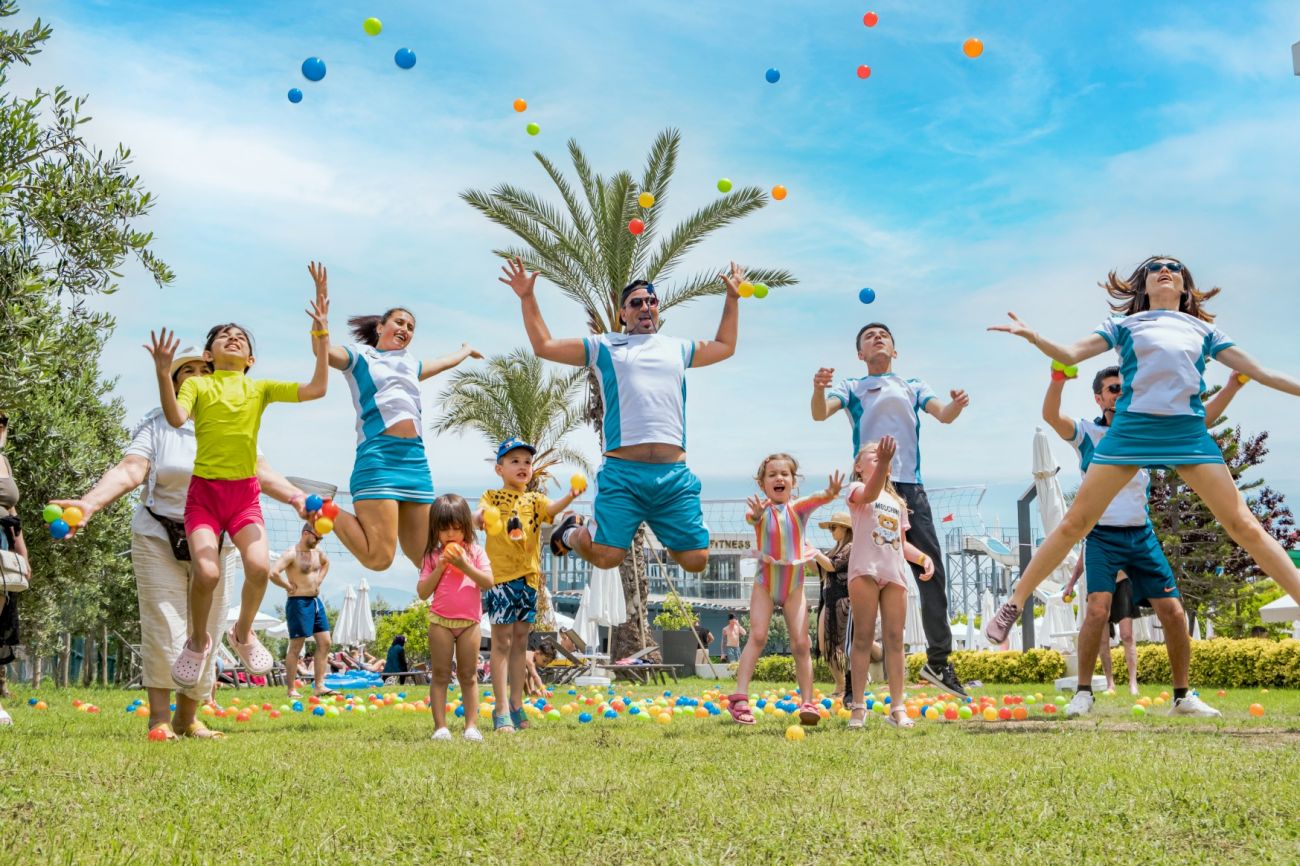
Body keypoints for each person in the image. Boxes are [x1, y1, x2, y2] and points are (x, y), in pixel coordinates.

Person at [985, 255, 1300, 657]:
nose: (1164, 270)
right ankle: (1014, 603)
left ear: (1185, 286)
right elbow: (1070, 352)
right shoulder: (1124, 325)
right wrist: (1035, 337)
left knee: (1245, 526)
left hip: (1186, 433)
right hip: (1131, 431)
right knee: (1075, 523)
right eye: (1154, 267)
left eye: (1174, 267)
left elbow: (1264, 373)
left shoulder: (1205, 331)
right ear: (1143, 285)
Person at [54, 347, 311, 739]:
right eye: (186, 371)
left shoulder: (234, 421)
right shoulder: (158, 424)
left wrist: (297, 497)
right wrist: (89, 503)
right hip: (160, 534)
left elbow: (262, 473)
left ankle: (188, 718)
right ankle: (159, 717)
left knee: (208, 623)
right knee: (164, 623)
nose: (196, 376)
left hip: (218, 534)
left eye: (203, 370)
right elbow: (130, 469)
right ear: (174, 385)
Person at [498, 257, 747, 575]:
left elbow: (725, 346)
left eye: (651, 301)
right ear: (623, 313)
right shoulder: (605, 346)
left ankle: (660, 523)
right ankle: (571, 531)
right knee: (607, 557)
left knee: (696, 561)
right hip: (623, 475)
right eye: (636, 303)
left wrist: (732, 298)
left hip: (673, 476)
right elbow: (544, 346)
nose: (645, 307)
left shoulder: (678, 348)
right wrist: (527, 296)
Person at [146, 295, 330, 689]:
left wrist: (321, 335)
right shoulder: (199, 385)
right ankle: (198, 642)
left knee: (260, 568)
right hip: (204, 498)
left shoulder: (259, 388)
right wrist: (163, 373)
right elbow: (176, 418)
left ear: (250, 360)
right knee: (207, 573)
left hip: (244, 497)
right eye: (223, 336)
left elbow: (317, 388)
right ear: (208, 355)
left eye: (241, 337)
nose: (233, 338)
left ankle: (242, 633)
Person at [1042, 363, 1242, 716]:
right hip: (1102, 536)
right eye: (1113, 388)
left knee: (1174, 612)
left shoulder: (1144, 432)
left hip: (1141, 534)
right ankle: (1084, 693)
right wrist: (1058, 380)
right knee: (1097, 610)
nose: (1121, 393)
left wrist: (1232, 387)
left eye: (1125, 388)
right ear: (1099, 398)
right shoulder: (1087, 433)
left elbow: (1199, 423)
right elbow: (1051, 415)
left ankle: (1182, 697)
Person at [811, 322, 971, 697]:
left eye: (884, 335)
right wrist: (818, 389)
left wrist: (957, 404)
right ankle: (853, 682)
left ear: (894, 351)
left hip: (910, 488)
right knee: (862, 580)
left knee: (931, 571)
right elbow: (820, 413)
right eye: (869, 337)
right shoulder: (852, 386)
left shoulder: (913, 385)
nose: (877, 337)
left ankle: (938, 662)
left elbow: (944, 414)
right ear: (860, 354)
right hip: (872, 489)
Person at [305, 263, 482, 570]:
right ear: (380, 327)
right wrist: (321, 324)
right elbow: (323, 352)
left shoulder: (411, 365)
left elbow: (443, 362)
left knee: (428, 562)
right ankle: (325, 507)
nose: (406, 329)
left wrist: (465, 350)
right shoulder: (361, 356)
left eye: (411, 327)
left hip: (415, 462)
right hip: (378, 459)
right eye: (399, 322)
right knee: (379, 559)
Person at [728, 454, 843, 726]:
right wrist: (757, 514)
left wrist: (829, 493)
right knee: (757, 636)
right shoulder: (761, 511)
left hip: (794, 586)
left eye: (784, 474)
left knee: (801, 643)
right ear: (762, 483)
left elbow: (817, 499)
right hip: (765, 584)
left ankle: (808, 702)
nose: (779, 478)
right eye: (772, 475)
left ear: (793, 481)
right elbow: (751, 518)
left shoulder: (798, 509)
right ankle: (739, 698)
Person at [475, 437, 581, 733]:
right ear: (499, 469)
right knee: (501, 643)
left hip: (529, 579)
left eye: (527, 461)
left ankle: (515, 703)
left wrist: (571, 495)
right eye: (514, 461)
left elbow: (553, 509)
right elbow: (477, 517)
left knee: (521, 643)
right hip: (501, 578)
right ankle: (500, 709)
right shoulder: (492, 496)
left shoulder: (535, 500)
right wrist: (481, 517)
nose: (523, 466)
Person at [845, 436, 934, 729]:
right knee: (863, 637)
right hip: (865, 571)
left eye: (884, 457)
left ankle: (898, 708)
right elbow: (870, 494)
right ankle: (858, 707)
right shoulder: (856, 489)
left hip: (895, 573)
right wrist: (883, 463)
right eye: (873, 456)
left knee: (896, 640)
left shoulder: (897, 502)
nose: (881, 458)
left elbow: (901, 542)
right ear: (859, 466)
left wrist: (923, 558)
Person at [418, 493, 493, 742]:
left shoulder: (476, 553)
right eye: (444, 529)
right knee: (440, 674)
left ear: (466, 527)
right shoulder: (432, 556)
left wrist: (464, 565)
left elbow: (488, 581)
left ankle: (471, 726)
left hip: (470, 623)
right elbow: (423, 592)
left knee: (468, 675)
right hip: (440, 622)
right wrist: (440, 567)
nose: (450, 534)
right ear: (435, 529)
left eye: (457, 528)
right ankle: (440, 727)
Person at [270, 523, 333, 699]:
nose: (318, 541)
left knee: (325, 642)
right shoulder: (291, 553)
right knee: (296, 646)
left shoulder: (317, 552)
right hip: (298, 602)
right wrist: (287, 586)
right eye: (317, 538)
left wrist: (319, 580)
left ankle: (319, 686)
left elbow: (326, 563)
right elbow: (273, 573)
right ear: (306, 533)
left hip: (315, 602)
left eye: (321, 538)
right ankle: (291, 689)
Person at [0, 410, 25, 727]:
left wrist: (22, 552)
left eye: (2, 422)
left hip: (3, 541)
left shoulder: (4, 461)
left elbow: (12, 508)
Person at [812, 512, 853, 699]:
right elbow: (819, 569)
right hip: (828, 600)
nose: (830, 531)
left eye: (833, 527)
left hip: (843, 601)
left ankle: (845, 685)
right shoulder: (833, 549)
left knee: (840, 646)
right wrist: (805, 554)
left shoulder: (850, 547)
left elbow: (832, 566)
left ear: (845, 528)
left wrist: (814, 552)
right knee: (824, 645)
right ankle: (840, 683)